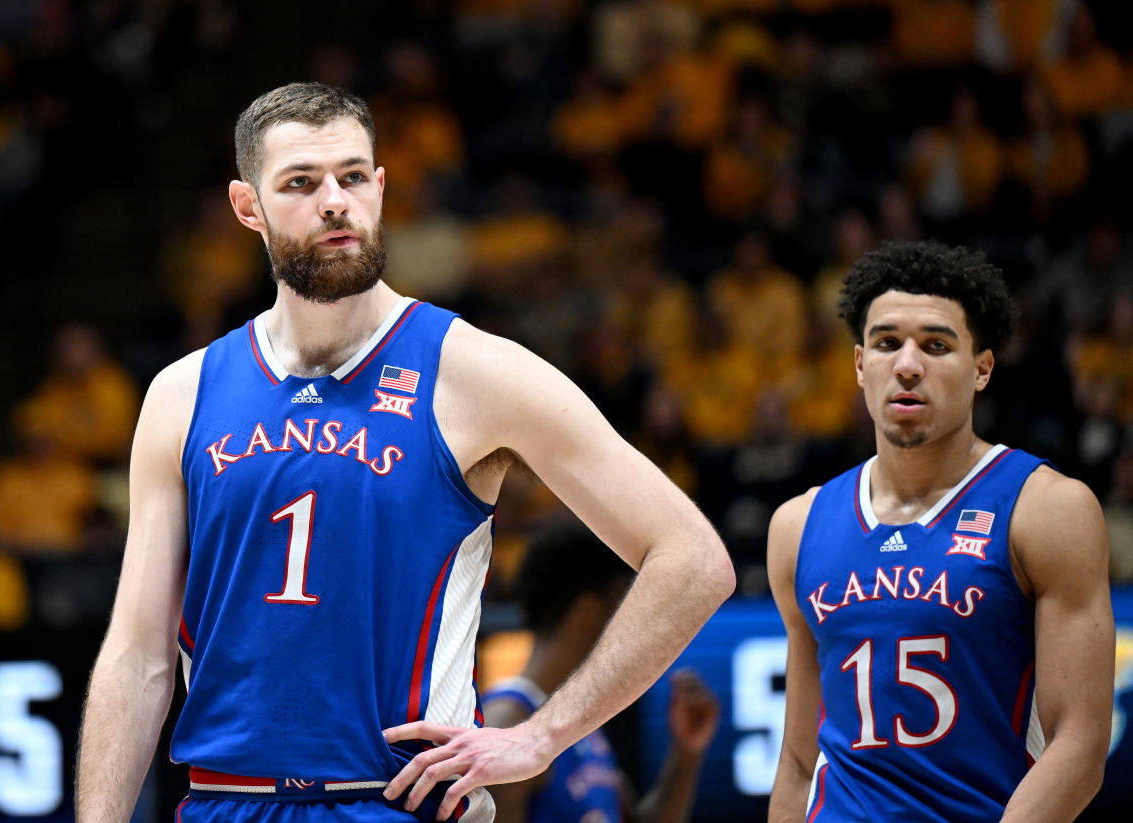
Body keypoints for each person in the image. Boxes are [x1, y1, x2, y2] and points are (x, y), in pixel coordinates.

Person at [74, 82, 735, 823]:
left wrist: (542, 736)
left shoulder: (475, 370)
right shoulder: (182, 393)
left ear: (381, 188)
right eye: (301, 182)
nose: (334, 201)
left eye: (353, 177)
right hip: (228, 802)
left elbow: (692, 558)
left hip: (397, 803)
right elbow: (137, 655)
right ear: (246, 206)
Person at [766, 240, 1114, 822]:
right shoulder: (797, 525)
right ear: (859, 365)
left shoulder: (1048, 509)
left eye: (935, 345)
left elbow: (1079, 744)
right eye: (885, 344)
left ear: (982, 369)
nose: (906, 364)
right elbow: (801, 761)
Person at [483, 522, 719, 823]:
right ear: (589, 612)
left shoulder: (580, 721)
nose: (638, 629)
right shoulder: (506, 724)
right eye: (629, 609)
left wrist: (685, 755)